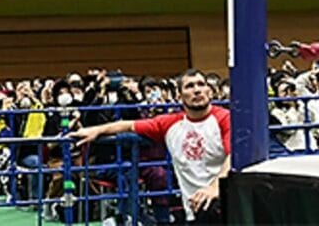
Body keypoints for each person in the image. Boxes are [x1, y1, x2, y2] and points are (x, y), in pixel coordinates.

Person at [72, 69, 229, 224]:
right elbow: (128, 125)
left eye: (201, 84)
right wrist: (96, 130)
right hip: (194, 210)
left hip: (226, 203)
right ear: (179, 96)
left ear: (210, 92)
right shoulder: (170, 123)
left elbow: (233, 157)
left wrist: (214, 187)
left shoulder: (224, 118)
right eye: (190, 86)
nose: (197, 90)